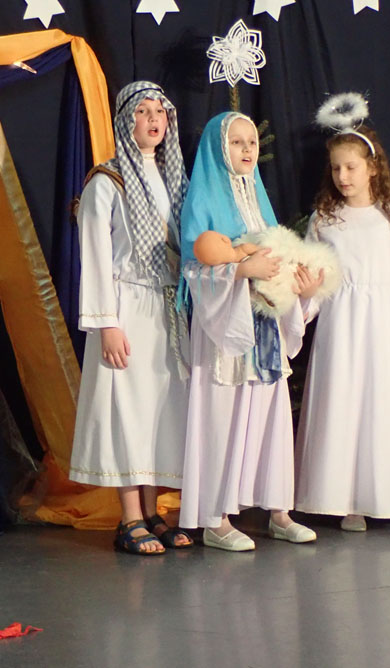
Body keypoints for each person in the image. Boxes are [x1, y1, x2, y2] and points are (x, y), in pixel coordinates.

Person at [294, 94, 390, 532]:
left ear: (372, 168)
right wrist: (303, 305)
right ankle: (349, 500)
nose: (342, 176)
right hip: (342, 325)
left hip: (386, 324)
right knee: (346, 404)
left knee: (389, 407)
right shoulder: (325, 219)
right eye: (336, 169)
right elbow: (315, 280)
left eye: (351, 167)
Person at [179, 111, 321, 551]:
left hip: (265, 326)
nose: (247, 149)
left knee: (268, 415)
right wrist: (241, 270)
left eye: (252, 142)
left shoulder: (258, 201)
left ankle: (278, 512)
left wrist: (301, 289)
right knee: (222, 417)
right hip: (224, 326)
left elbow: (279, 258)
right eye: (236, 142)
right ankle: (215, 518)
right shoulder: (202, 200)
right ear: (218, 149)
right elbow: (193, 269)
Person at [69, 81, 193, 555]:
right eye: (143, 111)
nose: (153, 119)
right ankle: (130, 518)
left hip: (166, 306)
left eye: (159, 110)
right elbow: (96, 256)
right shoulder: (107, 181)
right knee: (127, 408)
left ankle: (154, 511)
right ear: (126, 121)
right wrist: (107, 323)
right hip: (126, 307)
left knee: (159, 409)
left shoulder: (173, 178)